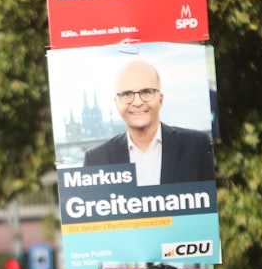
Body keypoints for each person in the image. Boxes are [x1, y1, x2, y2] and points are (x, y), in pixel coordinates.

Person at [83, 59, 215, 185]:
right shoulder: (95, 160)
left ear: (160, 99)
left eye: (146, 92)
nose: (137, 102)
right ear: (116, 103)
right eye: (127, 94)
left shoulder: (197, 146)